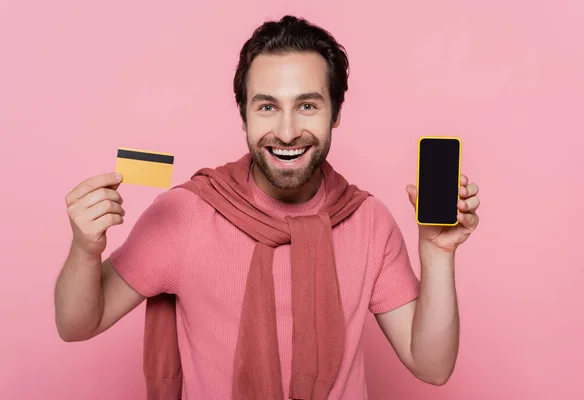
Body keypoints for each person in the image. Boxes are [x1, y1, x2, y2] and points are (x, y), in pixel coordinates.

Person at [54, 15, 480, 400]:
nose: (288, 131)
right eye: (267, 107)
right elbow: (77, 325)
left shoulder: (369, 222)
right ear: (244, 116)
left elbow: (432, 367)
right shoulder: (184, 214)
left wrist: (438, 254)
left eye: (308, 105)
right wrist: (84, 249)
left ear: (335, 113)